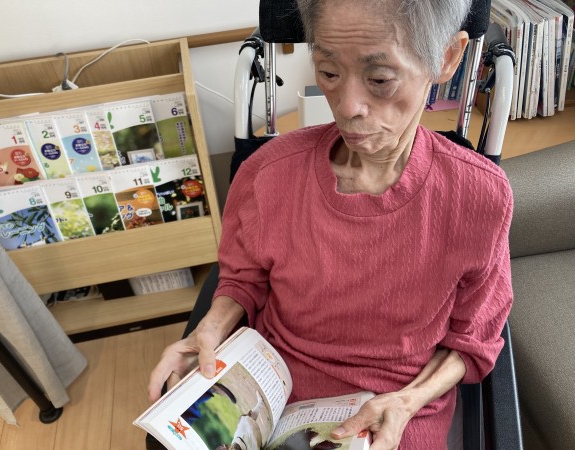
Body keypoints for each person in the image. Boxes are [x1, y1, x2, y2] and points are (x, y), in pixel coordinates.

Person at [149, 0, 513, 448]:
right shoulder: (268, 173)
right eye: (329, 72)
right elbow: (243, 279)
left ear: (446, 57)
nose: (347, 106)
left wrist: (407, 401)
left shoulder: (479, 195)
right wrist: (209, 328)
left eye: (379, 79)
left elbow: (473, 338)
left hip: (397, 402)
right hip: (271, 383)